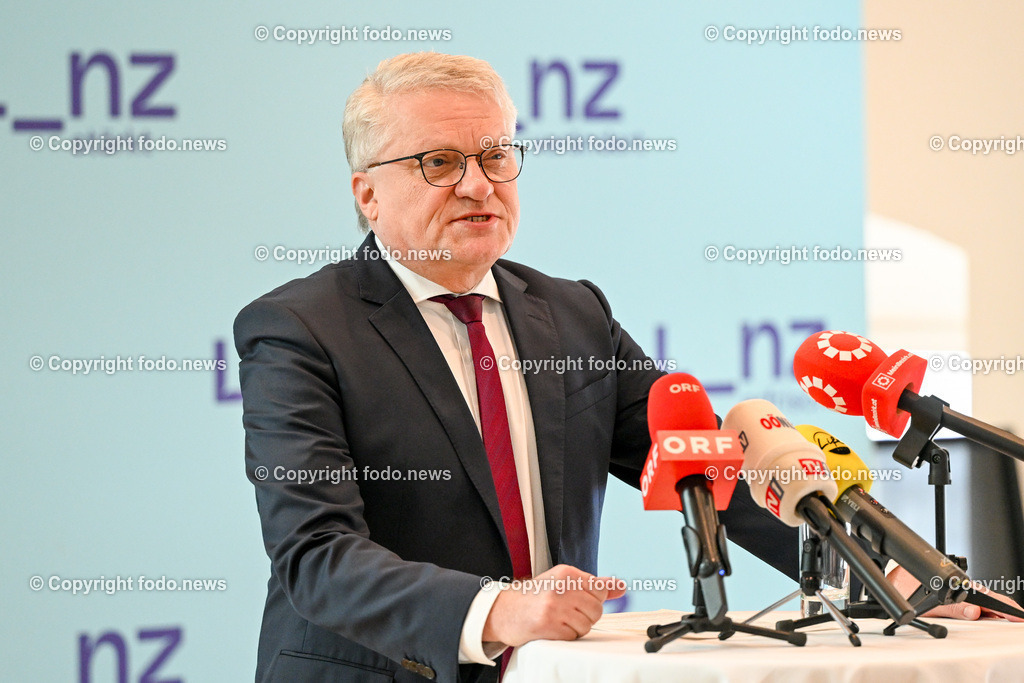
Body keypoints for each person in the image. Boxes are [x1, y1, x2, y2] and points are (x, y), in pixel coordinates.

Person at [233, 52, 1018, 683]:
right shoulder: (300, 328)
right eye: (438, 161)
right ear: (367, 193)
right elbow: (317, 555)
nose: (478, 183)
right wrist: (499, 610)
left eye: (496, 154)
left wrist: (894, 577)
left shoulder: (570, 312)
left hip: (553, 671)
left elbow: (711, 466)